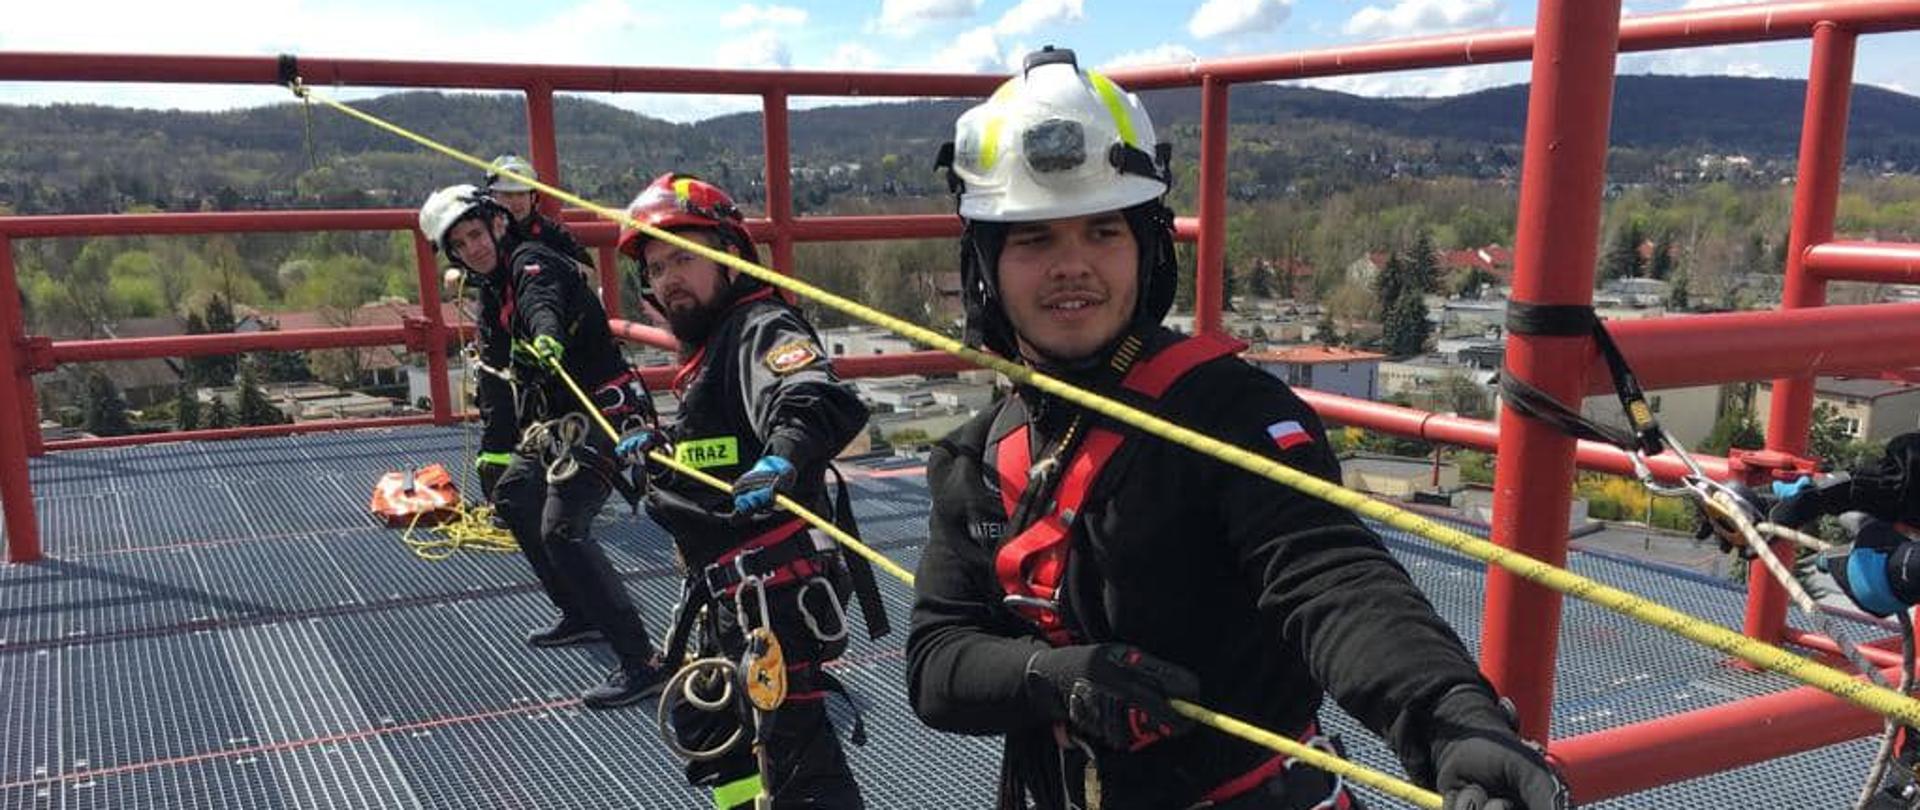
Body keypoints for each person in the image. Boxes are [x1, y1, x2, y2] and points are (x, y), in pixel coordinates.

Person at [905, 47, 1568, 810]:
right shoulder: (977, 461)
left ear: (1146, 250)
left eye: (1103, 232)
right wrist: (1054, 678)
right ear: (987, 265)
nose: (1072, 265)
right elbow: (937, 662)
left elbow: (1331, 575)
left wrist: (1448, 720)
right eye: (1035, 239)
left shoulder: (1235, 416)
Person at [614, 172, 884, 809]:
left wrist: (783, 455)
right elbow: (722, 448)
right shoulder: (713, 345)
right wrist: (664, 454)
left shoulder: (761, 326)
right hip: (728, 588)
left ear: (731, 258)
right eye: (657, 268)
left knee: (798, 768)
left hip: (773, 592)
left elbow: (808, 394)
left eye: (685, 257)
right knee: (711, 728)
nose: (669, 278)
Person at [418, 184, 665, 709]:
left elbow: (542, 301)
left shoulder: (531, 262)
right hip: (558, 419)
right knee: (513, 496)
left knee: (563, 529)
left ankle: (642, 661)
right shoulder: (491, 291)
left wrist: (546, 338)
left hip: (602, 410)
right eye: (459, 244)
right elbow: (497, 370)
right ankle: (581, 611)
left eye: (475, 234)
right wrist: (496, 443)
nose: (472, 248)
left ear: (496, 225)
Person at [484, 154, 596, 268]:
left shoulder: (551, 233)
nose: (516, 202)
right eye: (508, 195)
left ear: (533, 198)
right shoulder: (482, 234)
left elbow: (589, 270)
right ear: (493, 198)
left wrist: (552, 264)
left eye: (521, 194)